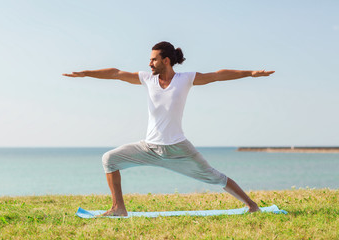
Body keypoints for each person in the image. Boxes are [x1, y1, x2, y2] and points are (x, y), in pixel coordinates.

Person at [63, 41, 275, 216]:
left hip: (178, 148)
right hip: (149, 147)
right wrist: (85, 73)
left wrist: (251, 73)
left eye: (153, 59)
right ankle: (118, 208)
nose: (150, 63)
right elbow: (116, 73)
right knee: (109, 159)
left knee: (215, 176)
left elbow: (217, 75)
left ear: (166, 60)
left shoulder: (185, 79)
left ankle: (252, 205)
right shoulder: (147, 79)